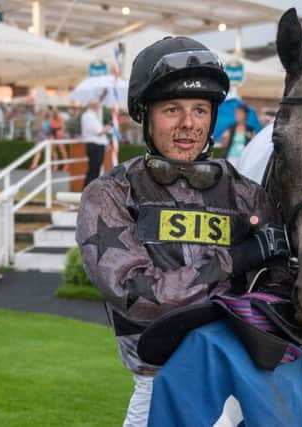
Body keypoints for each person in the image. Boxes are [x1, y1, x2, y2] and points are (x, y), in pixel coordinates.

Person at [76, 36, 287, 427]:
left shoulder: (247, 194)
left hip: (242, 388)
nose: (188, 124)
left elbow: (283, 295)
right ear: (145, 115)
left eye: (199, 110)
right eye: (172, 109)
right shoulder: (108, 196)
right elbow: (142, 297)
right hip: (158, 385)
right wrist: (236, 259)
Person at [81, 93, 111, 188]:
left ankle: (89, 190)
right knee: (94, 170)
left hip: (95, 145)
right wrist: (107, 127)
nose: (99, 105)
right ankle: (88, 190)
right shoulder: (89, 116)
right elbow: (99, 132)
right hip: (95, 145)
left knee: (94, 170)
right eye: (97, 104)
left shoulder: (90, 115)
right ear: (93, 105)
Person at [49, 107, 70, 172]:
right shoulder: (52, 119)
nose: (54, 114)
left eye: (55, 112)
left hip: (59, 134)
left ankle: (66, 165)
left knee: (62, 150)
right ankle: (55, 165)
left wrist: (61, 133)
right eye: (53, 112)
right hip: (53, 134)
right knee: (52, 150)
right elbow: (51, 128)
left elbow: (62, 128)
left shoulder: (60, 120)